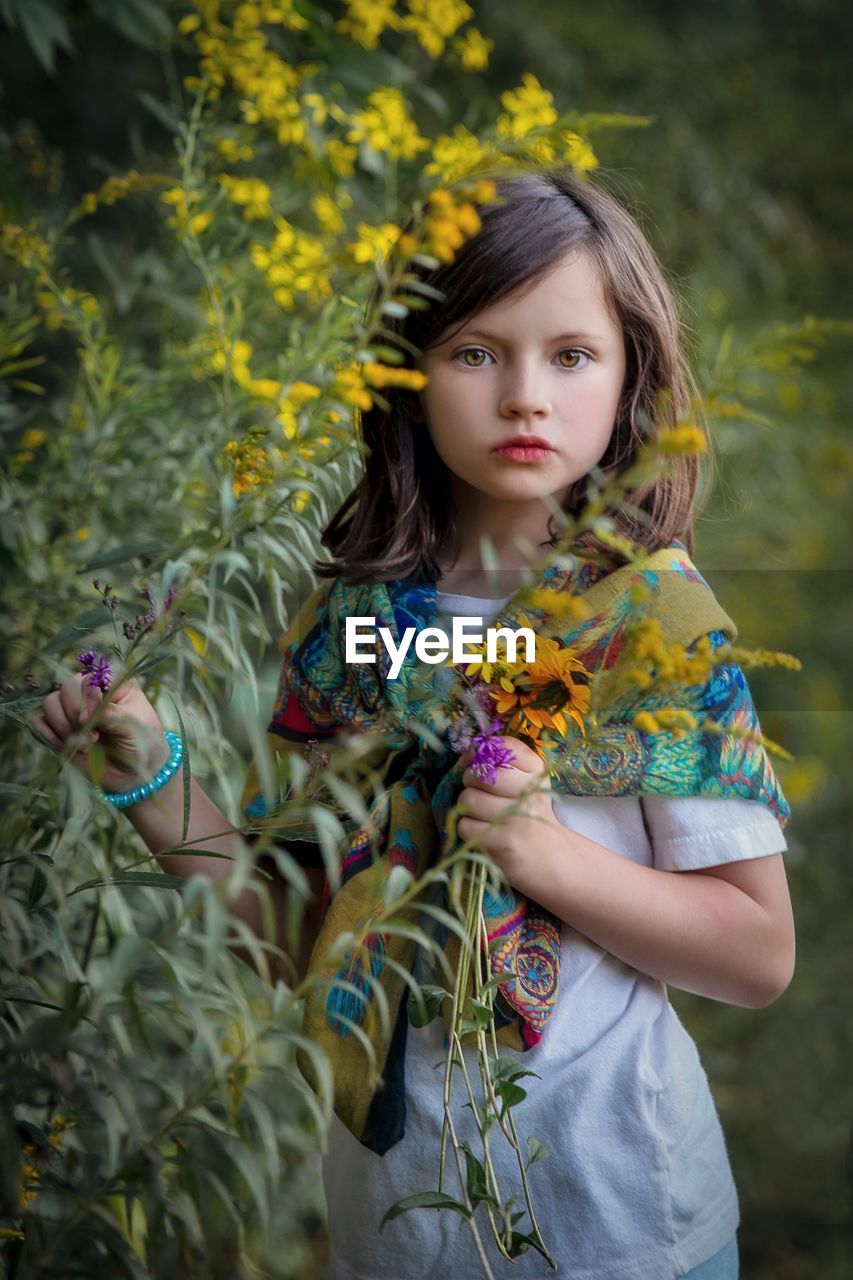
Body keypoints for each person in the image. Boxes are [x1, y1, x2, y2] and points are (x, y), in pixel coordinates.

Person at [31, 167, 796, 1280]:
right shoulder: (348, 624)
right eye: (475, 351)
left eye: (570, 354)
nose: (525, 394)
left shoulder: (654, 622)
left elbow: (757, 951)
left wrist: (545, 853)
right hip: (396, 1232)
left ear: (629, 370)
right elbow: (295, 936)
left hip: (627, 1226)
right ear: (406, 374)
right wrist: (152, 774)